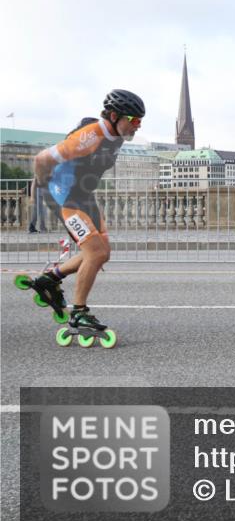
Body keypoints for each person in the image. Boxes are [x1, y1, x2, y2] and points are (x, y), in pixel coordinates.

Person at [27, 89, 145, 345]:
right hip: (64, 198)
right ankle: (79, 314)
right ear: (114, 116)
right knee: (94, 253)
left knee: (102, 252)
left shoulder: (118, 133)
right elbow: (42, 158)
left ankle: (50, 279)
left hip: (84, 195)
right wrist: (41, 184)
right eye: (133, 120)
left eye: (140, 121)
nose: (137, 125)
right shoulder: (90, 136)